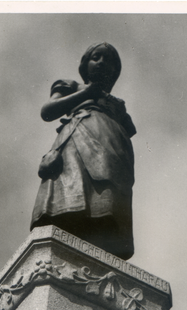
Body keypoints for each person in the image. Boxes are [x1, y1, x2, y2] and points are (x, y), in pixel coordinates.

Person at [30, 43, 136, 260]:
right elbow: (48, 111)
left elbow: (129, 129)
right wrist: (86, 93)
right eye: (96, 57)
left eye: (109, 61)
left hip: (113, 147)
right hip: (78, 137)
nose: (102, 63)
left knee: (107, 196)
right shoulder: (71, 85)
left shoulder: (118, 104)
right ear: (85, 63)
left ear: (115, 72)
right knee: (73, 190)